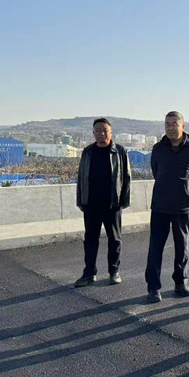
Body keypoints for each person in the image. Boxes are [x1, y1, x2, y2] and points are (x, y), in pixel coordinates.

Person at [145, 111, 189, 303]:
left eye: (174, 124)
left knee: (182, 247)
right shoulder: (158, 148)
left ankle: (180, 282)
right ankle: (153, 287)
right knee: (155, 248)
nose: (170, 128)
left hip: (182, 207)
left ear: (183, 126)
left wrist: (183, 189)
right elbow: (156, 171)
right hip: (160, 205)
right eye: (167, 124)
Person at [75, 118, 131, 287]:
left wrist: (124, 200)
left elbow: (126, 177)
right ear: (93, 133)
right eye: (98, 130)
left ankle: (114, 271)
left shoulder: (119, 151)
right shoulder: (88, 152)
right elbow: (81, 178)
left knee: (114, 239)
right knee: (90, 240)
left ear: (110, 132)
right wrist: (80, 200)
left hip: (112, 204)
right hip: (91, 203)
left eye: (104, 130)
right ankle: (89, 273)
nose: (101, 133)